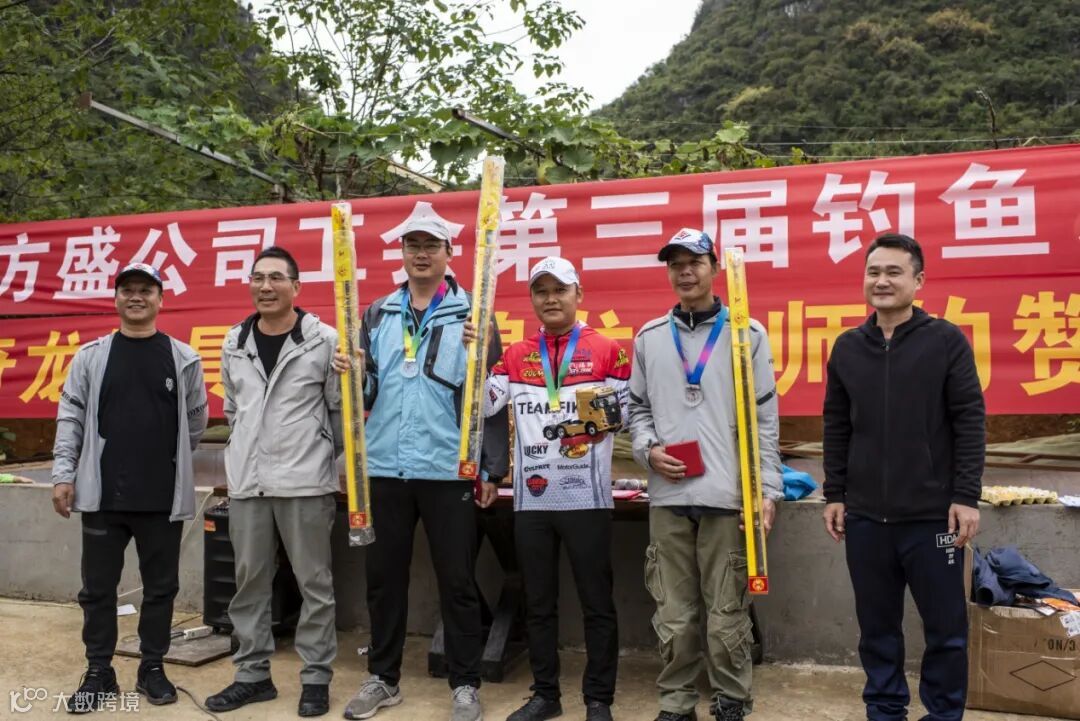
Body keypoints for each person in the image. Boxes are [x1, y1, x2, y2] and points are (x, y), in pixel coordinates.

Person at [343, 217, 509, 721]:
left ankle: (465, 684)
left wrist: (491, 468)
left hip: (447, 467)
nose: (420, 253)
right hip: (385, 466)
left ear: (448, 252)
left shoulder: (474, 313)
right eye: (412, 244)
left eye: (430, 245)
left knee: (457, 581)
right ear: (401, 252)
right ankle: (383, 678)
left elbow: (492, 397)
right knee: (383, 579)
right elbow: (368, 392)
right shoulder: (377, 313)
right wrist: (351, 374)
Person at [822, 233, 985, 721]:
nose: (882, 281)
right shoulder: (848, 348)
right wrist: (835, 493)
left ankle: (943, 714)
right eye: (873, 272)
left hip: (932, 517)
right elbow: (836, 425)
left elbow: (970, 419)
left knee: (946, 630)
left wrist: (966, 496)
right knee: (877, 630)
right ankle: (885, 709)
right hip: (866, 519)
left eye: (894, 272)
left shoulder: (946, 341)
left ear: (919, 280)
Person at [627, 229, 783, 721]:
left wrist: (767, 490)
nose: (685, 272)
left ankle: (731, 698)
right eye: (675, 264)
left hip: (727, 496)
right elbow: (636, 408)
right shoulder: (650, 337)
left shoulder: (746, 335)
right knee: (672, 612)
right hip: (668, 496)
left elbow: (764, 421)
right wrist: (648, 451)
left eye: (694, 262)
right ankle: (676, 702)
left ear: (715, 267)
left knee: (726, 611)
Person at [51, 262, 208, 713]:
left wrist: (165, 458)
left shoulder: (183, 358)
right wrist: (63, 474)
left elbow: (195, 421)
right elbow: (71, 417)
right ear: (116, 298)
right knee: (97, 590)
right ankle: (99, 671)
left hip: (161, 498)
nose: (136, 297)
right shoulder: (91, 357)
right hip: (103, 495)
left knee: (161, 589)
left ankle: (151, 667)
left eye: (145, 290)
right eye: (127, 290)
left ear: (160, 299)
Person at [482, 257, 628, 721]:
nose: (550, 299)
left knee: (596, 604)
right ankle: (546, 694)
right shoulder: (515, 355)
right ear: (532, 300)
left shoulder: (606, 349)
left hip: (588, 499)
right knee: (538, 604)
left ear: (578, 294)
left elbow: (625, 412)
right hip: (533, 502)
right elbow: (482, 404)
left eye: (560, 289)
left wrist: (580, 425)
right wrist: (473, 356)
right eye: (541, 291)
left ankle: (599, 699)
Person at [205, 246, 344, 718]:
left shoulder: (323, 340)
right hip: (248, 482)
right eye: (258, 278)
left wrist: (321, 458)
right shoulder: (234, 341)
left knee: (314, 584)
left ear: (296, 287)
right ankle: (252, 676)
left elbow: (338, 410)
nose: (265, 286)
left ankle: (316, 677)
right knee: (249, 584)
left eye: (276, 278)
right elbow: (233, 409)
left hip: (304, 482)